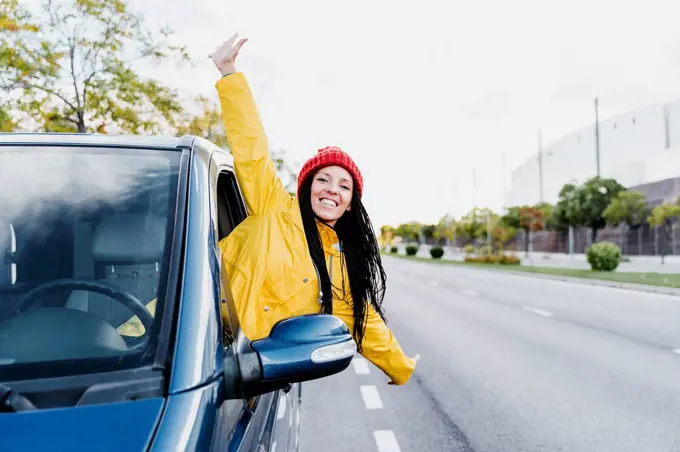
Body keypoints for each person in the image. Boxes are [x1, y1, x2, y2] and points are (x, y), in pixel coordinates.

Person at [210, 34, 418, 386]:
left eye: (343, 185)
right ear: (307, 185)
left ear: (351, 203)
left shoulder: (341, 267)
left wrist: (400, 368)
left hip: (247, 377)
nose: (332, 190)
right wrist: (229, 73)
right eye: (324, 179)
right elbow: (252, 149)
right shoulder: (273, 206)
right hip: (195, 344)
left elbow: (362, 322)